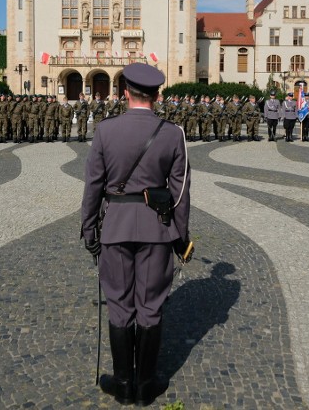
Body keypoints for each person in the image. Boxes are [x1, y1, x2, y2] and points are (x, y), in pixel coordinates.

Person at [81, 63, 191, 407]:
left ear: (124, 92)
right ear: (158, 95)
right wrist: (180, 236)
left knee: (119, 304)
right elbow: (181, 192)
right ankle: (146, 385)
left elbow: (93, 185)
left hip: (114, 226)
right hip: (157, 229)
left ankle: (124, 383)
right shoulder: (173, 133)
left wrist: (89, 229)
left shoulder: (105, 130)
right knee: (151, 305)